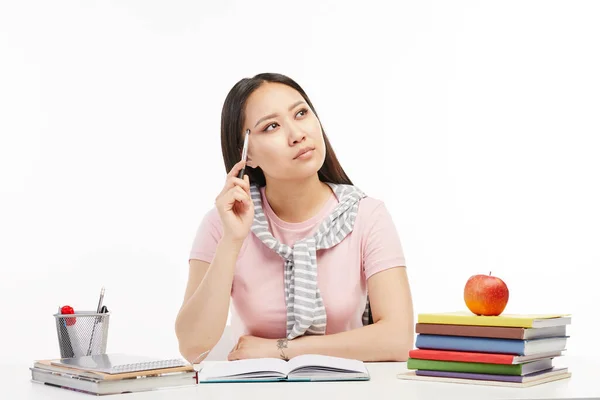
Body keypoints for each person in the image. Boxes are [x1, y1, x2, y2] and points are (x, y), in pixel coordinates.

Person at [175, 73, 414, 364]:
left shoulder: (367, 215)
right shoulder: (222, 223)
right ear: (247, 155)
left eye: (301, 113)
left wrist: (281, 349)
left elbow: (398, 339)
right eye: (272, 126)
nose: (297, 134)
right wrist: (232, 241)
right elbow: (192, 347)